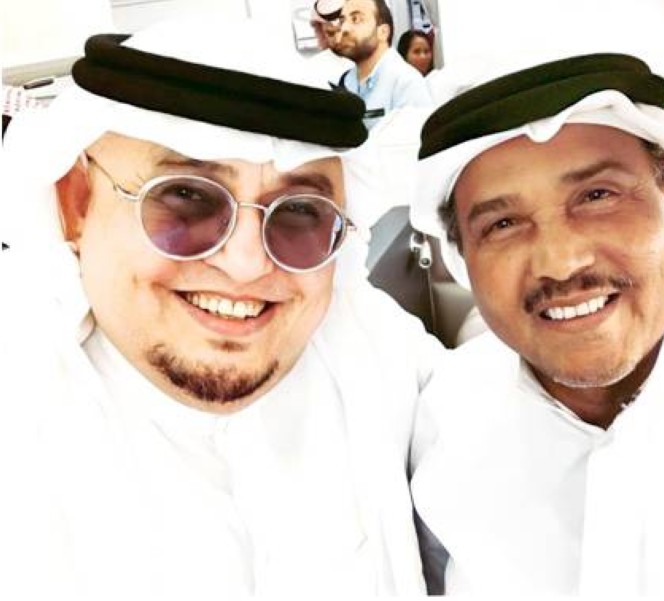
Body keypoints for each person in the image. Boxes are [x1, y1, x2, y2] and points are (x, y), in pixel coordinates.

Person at [0, 17, 443, 598]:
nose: (247, 265)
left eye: (300, 212)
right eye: (184, 197)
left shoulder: (369, 347)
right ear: (76, 204)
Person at [407, 3, 664, 597]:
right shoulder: (449, 421)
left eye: (597, 195)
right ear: (464, 256)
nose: (561, 261)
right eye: (503, 224)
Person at [333, 0, 433, 128]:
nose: (344, 29)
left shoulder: (407, 82)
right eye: (342, 21)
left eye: (356, 19)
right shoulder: (344, 81)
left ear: (383, 32)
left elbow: (415, 138)